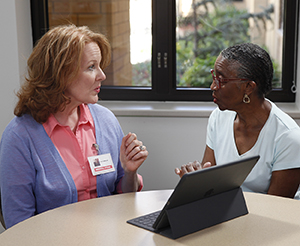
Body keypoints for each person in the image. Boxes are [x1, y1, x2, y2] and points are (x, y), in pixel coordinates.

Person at [0, 24, 148, 229]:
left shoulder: (106, 120)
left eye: (100, 66)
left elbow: (124, 197)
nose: (102, 75)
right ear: (61, 74)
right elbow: (18, 224)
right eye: (91, 67)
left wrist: (129, 172)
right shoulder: (19, 136)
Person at [175, 43, 300, 199]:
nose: (213, 86)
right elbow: (209, 185)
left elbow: (275, 209)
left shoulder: (289, 138)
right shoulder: (219, 118)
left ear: (248, 87)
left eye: (221, 80)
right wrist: (194, 180)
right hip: (227, 212)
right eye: (214, 77)